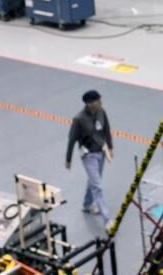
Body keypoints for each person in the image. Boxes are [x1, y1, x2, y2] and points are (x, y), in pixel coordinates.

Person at [66, 90, 114, 230]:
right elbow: (72, 140)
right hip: (89, 156)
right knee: (97, 187)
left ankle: (87, 204)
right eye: (98, 101)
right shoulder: (79, 119)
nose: (101, 102)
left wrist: (110, 147)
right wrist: (68, 159)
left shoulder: (101, 112)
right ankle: (107, 220)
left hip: (101, 152)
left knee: (94, 180)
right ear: (89, 103)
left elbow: (106, 129)